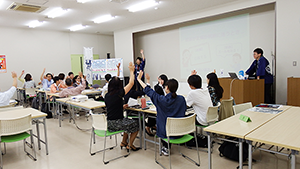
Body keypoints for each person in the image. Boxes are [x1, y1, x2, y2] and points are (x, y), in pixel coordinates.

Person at [136, 70, 186, 156]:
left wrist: (139, 80)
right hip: (180, 132)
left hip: (165, 132)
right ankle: (166, 147)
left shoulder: (162, 100)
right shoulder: (181, 99)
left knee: (163, 122)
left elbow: (149, 91)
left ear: (166, 88)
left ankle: (166, 148)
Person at [105, 62, 140, 151]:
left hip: (109, 123)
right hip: (117, 123)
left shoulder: (107, 95)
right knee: (136, 125)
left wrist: (121, 107)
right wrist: (131, 71)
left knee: (127, 122)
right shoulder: (119, 94)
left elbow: (112, 107)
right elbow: (131, 83)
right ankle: (130, 144)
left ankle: (123, 142)